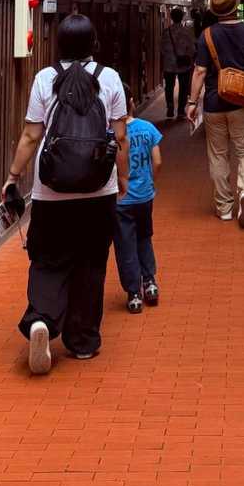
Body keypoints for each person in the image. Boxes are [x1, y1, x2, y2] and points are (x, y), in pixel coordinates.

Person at [2, 14, 129, 376]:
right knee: (91, 263)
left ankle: (41, 320)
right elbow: (120, 137)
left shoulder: (45, 78)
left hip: (51, 193)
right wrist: (122, 177)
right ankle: (83, 341)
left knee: (47, 259)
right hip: (98, 190)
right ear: (93, 43)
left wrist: (13, 176)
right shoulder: (109, 78)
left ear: (59, 44)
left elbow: (31, 136)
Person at [185, 0, 244, 227]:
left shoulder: (207, 35)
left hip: (214, 104)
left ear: (215, 10)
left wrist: (192, 102)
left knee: (218, 155)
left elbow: (200, 71)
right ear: (237, 7)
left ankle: (224, 208)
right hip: (242, 102)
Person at [112, 85, 162, 314]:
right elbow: (157, 161)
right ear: (132, 102)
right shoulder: (148, 128)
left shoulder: (111, 133)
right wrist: (150, 182)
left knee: (125, 245)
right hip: (144, 196)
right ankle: (150, 282)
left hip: (121, 199)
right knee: (144, 237)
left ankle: (133, 293)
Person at [160, 6, 197, 120]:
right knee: (183, 88)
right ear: (182, 17)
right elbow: (192, 49)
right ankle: (181, 111)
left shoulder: (166, 32)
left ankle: (170, 107)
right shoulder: (187, 32)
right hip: (183, 64)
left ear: (171, 17)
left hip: (169, 64)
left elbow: (162, 49)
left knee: (169, 87)